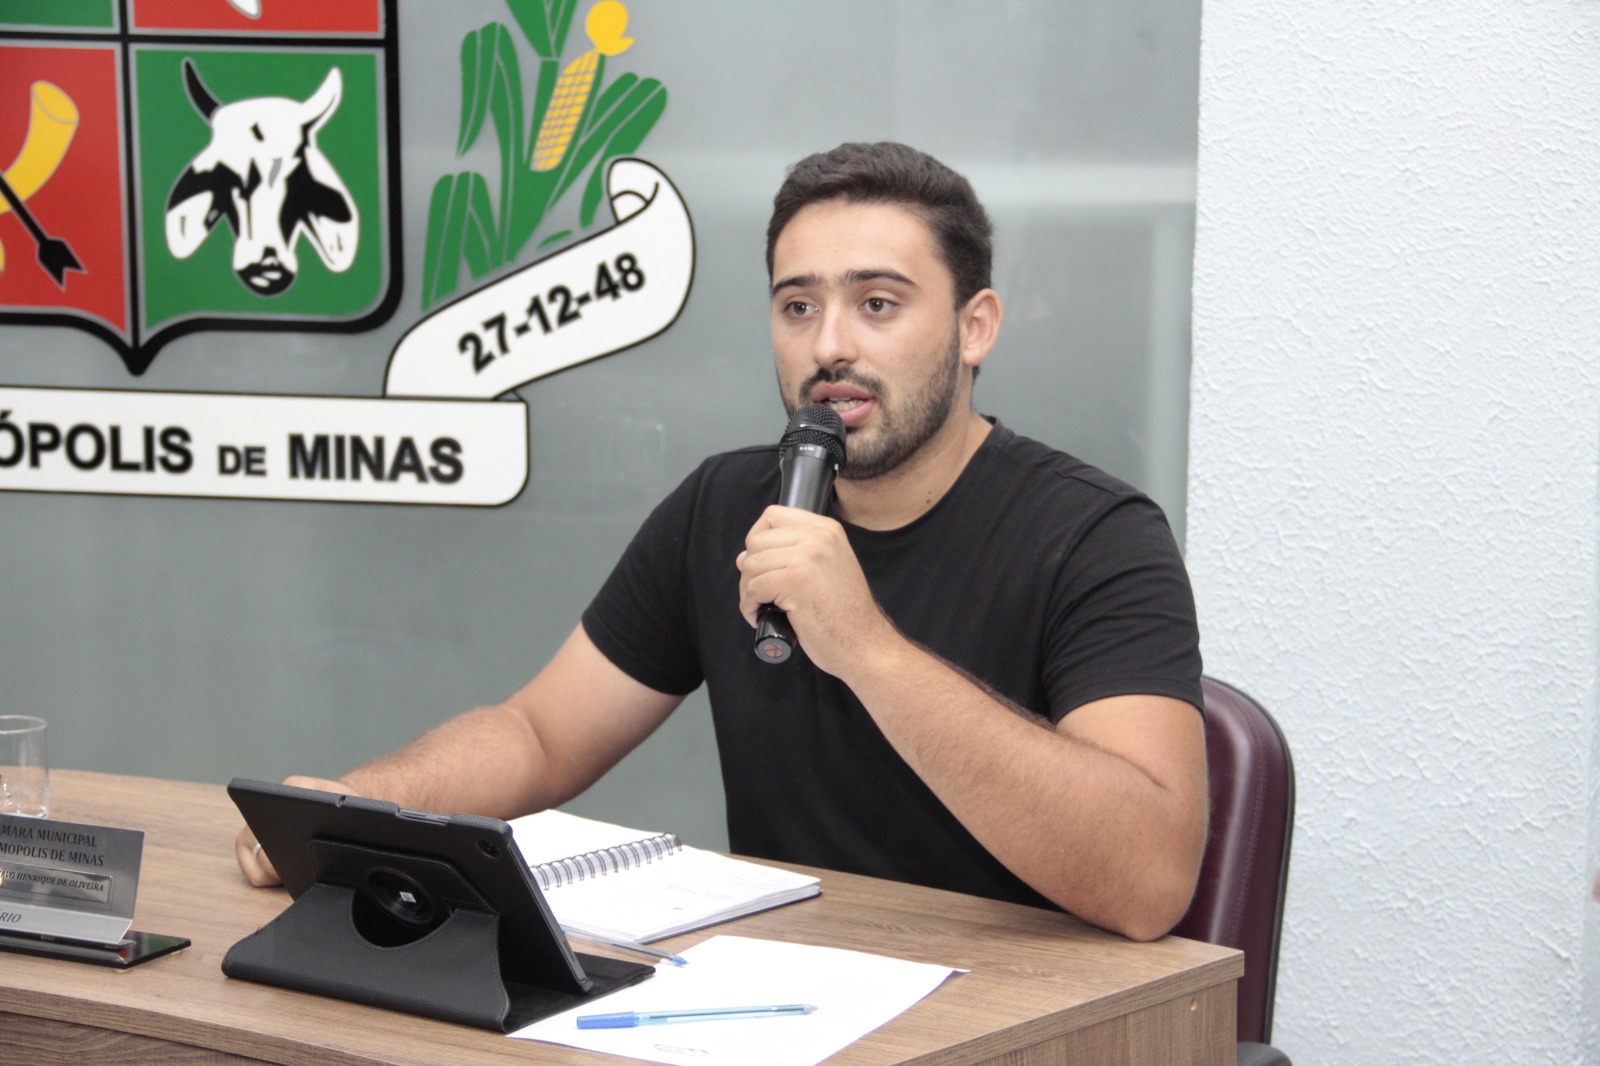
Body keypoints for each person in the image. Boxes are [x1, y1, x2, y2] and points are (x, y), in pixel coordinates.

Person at [237, 142, 1208, 942]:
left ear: (974, 327)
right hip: (783, 1000)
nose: (830, 345)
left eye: (877, 303)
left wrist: (867, 649)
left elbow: (1150, 882)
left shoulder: (1095, 536)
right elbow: (541, 735)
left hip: (1023, 1022)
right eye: (797, 306)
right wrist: (360, 808)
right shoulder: (725, 505)